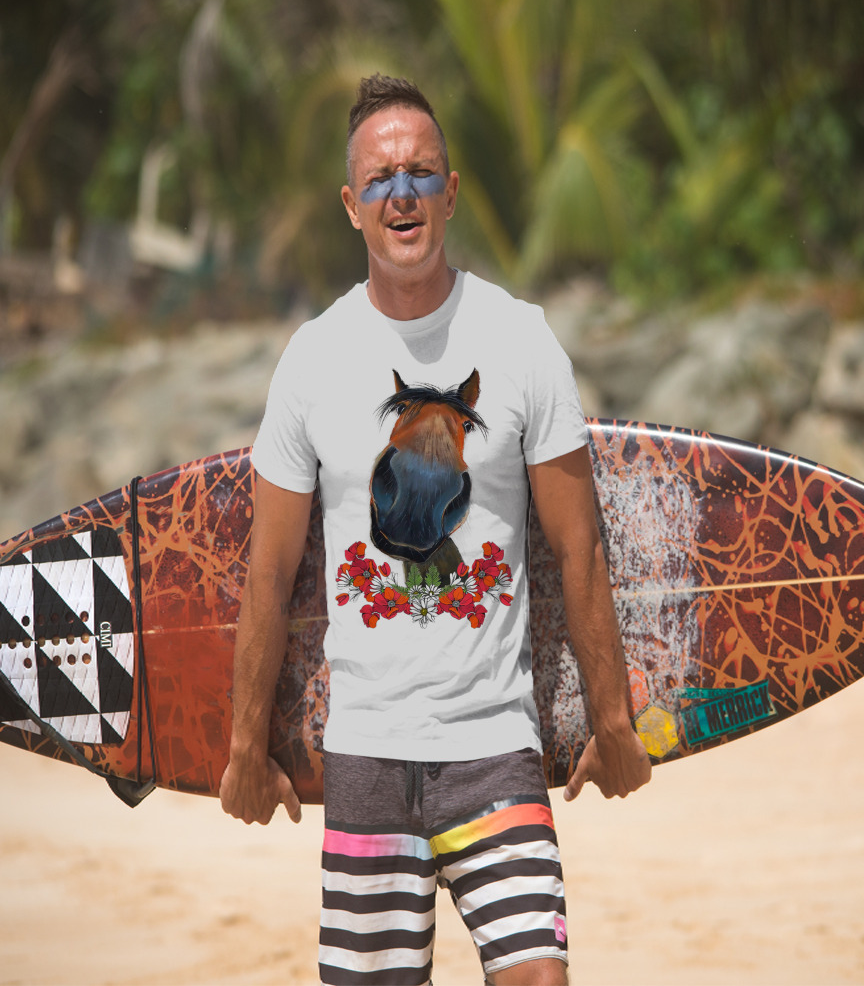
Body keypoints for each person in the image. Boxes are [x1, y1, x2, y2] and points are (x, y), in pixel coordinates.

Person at [220, 73, 651, 986]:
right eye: (380, 179)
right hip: (368, 753)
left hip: (495, 745)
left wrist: (612, 719)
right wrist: (242, 746)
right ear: (351, 205)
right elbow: (269, 573)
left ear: (451, 192)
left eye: (421, 173)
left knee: (540, 976)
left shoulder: (523, 340)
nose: (402, 193)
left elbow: (579, 547)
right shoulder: (313, 359)